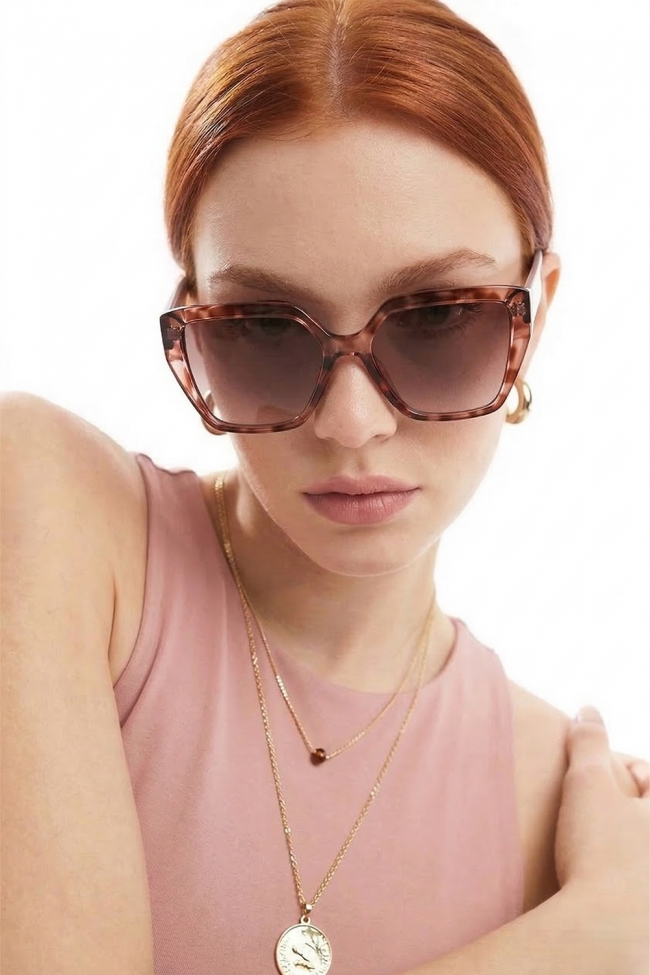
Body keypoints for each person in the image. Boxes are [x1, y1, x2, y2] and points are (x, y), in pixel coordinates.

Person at [2, 1, 648, 973]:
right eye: (265, 329)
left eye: (437, 319)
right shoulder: (48, 510)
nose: (351, 422)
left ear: (535, 315)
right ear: (194, 326)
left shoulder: (572, 803)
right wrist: (582, 939)